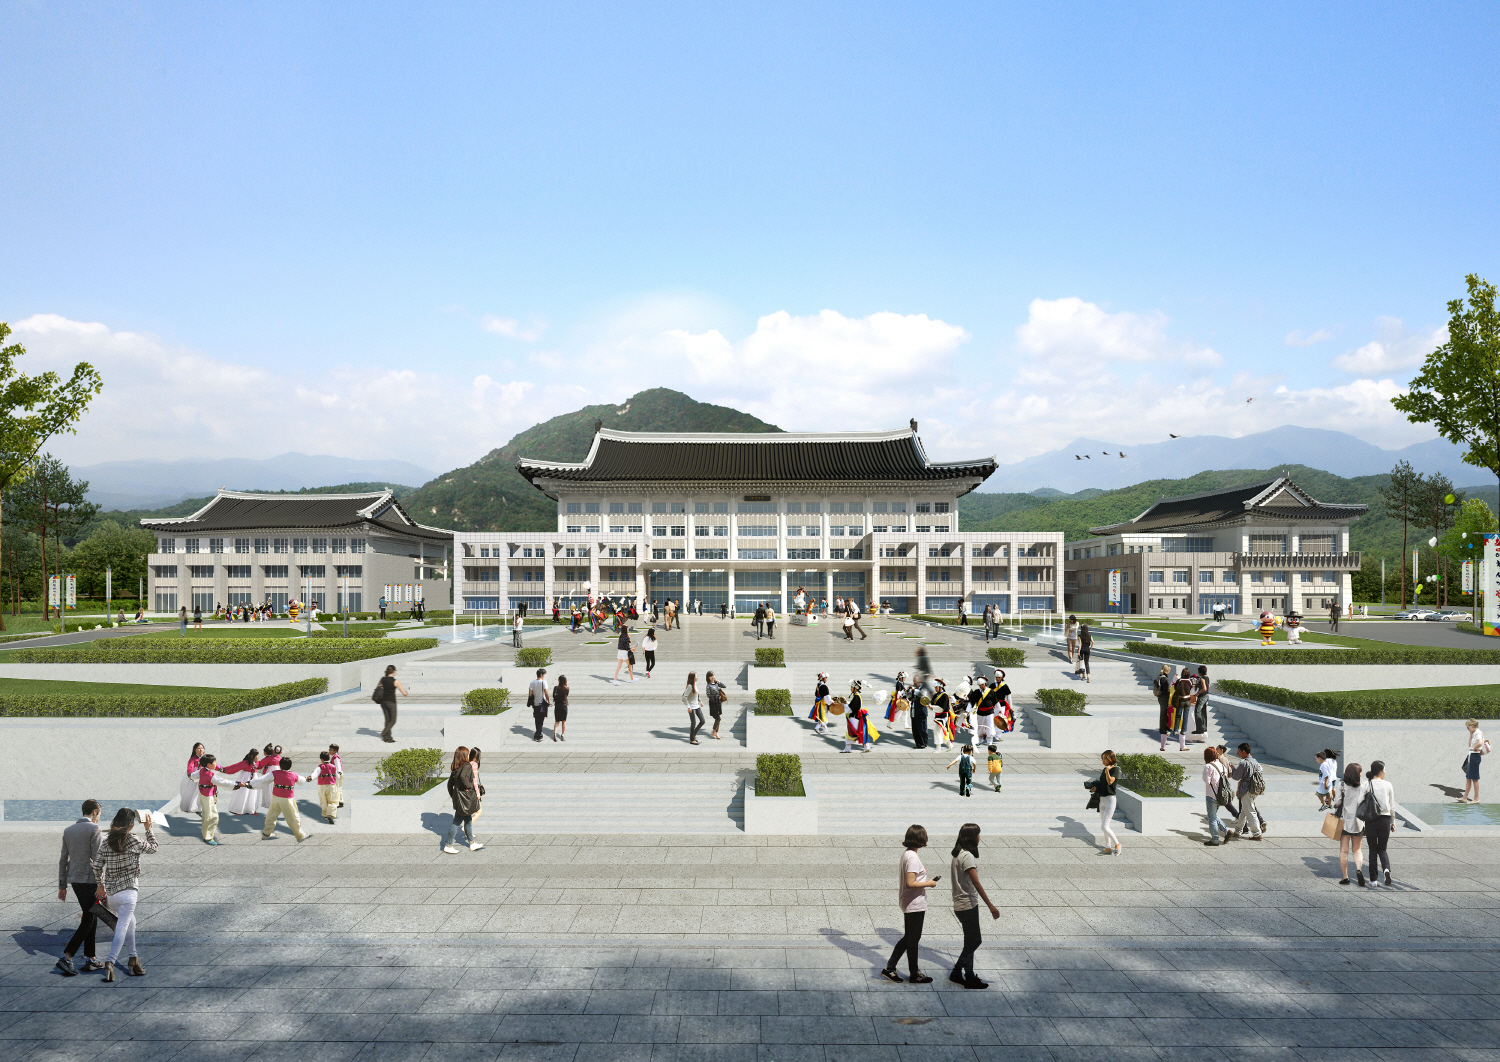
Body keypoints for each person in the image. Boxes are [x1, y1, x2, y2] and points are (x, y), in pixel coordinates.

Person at [91, 807, 158, 982]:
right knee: (122, 928)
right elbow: (153, 848)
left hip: (113, 894)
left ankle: (133, 959)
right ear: (131, 824)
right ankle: (110, 962)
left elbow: (97, 866)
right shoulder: (133, 840)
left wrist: (101, 885)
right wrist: (148, 828)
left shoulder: (107, 841)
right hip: (129, 892)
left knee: (131, 923)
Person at [881, 824, 939, 984]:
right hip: (914, 903)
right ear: (921, 839)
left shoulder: (907, 854)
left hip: (910, 901)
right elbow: (910, 883)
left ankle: (893, 969)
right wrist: (929, 883)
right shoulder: (913, 857)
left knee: (910, 938)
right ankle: (911, 973)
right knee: (912, 939)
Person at [55, 799, 106, 977]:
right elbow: (98, 860)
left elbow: (63, 860)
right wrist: (101, 884)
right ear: (94, 812)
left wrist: (62, 885)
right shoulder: (95, 829)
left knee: (91, 915)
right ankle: (67, 957)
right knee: (89, 919)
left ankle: (91, 959)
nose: (99, 818)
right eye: (99, 814)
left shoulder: (68, 830)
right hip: (90, 880)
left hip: (75, 880)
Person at [948, 823, 998, 990]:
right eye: (978, 834)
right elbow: (976, 882)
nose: (979, 837)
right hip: (968, 904)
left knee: (970, 942)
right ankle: (957, 972)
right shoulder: (967, 856)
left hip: (960, 904)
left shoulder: (957, 854)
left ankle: (969, 976)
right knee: (975, 941)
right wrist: (990, 905)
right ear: (972, 837)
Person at [252, 756, 312, 842]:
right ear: (290, 766)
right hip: (287, 799)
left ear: (279, 766)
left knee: (271, 815)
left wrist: (250, 784)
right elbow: (301, 781)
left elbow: (263, 779)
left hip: (276, 798)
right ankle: (300, 836)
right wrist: (307, 778)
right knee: (292, 817)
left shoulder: (275, 773)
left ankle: (266, 834)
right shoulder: (293, 774)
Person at [196, 754, 247, 846]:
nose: (216, 764)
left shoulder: (202, 771)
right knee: (212, 816)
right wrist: (237, 784)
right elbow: (223, 782)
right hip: (208, 797)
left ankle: (205, 834)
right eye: (214, 762)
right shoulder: (209, 774)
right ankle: (208, 837)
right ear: (209, 764)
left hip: (204, 795)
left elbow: (193, 776)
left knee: (207, 815)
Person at [442, 745, 483, 854]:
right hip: (466, 799)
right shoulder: (467, 766)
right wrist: (469, 787)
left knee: (468, 821)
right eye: (467, 753)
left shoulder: (455, 768)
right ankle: (448, 845)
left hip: (460, 799)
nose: (469, 755)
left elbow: (449, 785)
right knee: (456, 823)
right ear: (464, 755)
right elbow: (464, 777)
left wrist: (454, 796)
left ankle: (472, 844)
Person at [1364, 761, 1396, 887]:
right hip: (1385, 819)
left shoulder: (1366, 784)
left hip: (1371, 820)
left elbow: (1360, 803)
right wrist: (1393, 822)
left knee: (1372, 850)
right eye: (1385, 769)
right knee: (1382, 849)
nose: (1385, 772)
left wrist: (1362, 822)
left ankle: (1373, 880)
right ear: (1381, 771)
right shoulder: (1388, 785)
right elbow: (1392, 805)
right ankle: (1386, 870)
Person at [1226, 742, 1265, 840]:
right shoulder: (1255, 762)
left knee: (1250, 811)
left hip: (1246, 789)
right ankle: (1238, 831)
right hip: (1255, 789)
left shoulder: (1244, 763)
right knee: (1244, 811)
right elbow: (1260, 771)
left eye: (1239, 751)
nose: (1238, 753)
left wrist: (1233, 769)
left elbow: (1236, 777)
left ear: (1243, 751)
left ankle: (1257, 833)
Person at [1338, 761, 1366, 885]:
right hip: (1358, 822)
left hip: (1345, 821)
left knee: (1344, 851)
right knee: (1357, 850)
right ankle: (1359, 869)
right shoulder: (1363, 787)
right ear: (1358, 774)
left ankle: (1345, 877)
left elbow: (1337, 803)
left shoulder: (1342, 785)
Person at [1088, 750, 1122, 855]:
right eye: (1102, 759)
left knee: (1104, 826)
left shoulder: (1115, 769)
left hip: (1110, 801)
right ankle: (1108, 848)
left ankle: (1117, 844)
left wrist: (1107, 771)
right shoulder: (1104, 769)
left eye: (1105, 759)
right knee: (1105, 826)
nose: (1103, 761)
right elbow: (1103, 784)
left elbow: (1110, 781)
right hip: (1102, 800)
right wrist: (1095, 788)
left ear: (1110, 759)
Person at [220, 748, 262, 817]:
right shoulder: (245, 762)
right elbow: (235, 767)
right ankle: (239, 810)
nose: (258, 757)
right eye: (257, 755)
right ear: (252, 756)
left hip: (254, 779)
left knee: (253, 794)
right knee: (243, 793)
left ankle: (252, 809)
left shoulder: (257, 762)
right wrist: (224, 770)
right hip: (245, 779)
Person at [1202, 748, 1229, 846]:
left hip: (1211, 795)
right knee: (1213, 815)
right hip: (1222, 795)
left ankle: (1215, 839)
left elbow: (1207, 781)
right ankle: (1226, 830)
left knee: (1211, 818)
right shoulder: (1222, 765)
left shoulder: (1208, 766)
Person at [378, 665, 409, 743]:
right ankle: (384, 733)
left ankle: (388, 738)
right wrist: (406, 692)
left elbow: (379, 687)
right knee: (393, 720)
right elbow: (404, 693)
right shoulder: (396, 681)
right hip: (391, 702)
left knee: (387, 720)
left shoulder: (382, 679)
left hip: (383, 702)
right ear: (394, 671)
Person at [1166, 667, 1193, 751]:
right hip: (1187, 700)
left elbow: (1174, 688)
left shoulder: (1178, 682)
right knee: (1185, 718)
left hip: (1179, 702)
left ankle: (1175, 730)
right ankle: (1183, 733)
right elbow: (1190, 689)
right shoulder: (1190, 681)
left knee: (1178, 716)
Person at [177, 742, 205, 814]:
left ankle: (200, 807)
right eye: (198, 748)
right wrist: (191, 775)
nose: (201, 750)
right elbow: (190, 767)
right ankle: (189, 806)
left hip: (203, 775)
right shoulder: (193, 759)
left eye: (202, 748)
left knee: (200, 792)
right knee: (190, 791)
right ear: (195, 750)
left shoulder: (206, 757)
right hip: (193, 775)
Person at [1464, 718, 1487, 803]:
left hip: (1475, 756)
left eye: (1468, 727)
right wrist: (1470, 734)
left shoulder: (1478, 733)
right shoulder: (1474, 733)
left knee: (1474, 778)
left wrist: (1475, 748)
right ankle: (1464, 797)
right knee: (1468, 778)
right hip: (1472, 756)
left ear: (1471, 725)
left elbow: (1480, 743)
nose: (1467, 729)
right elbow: (1470, 745)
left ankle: (1476, 799)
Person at [1153, 665, 1173, 750]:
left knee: (1163, 713)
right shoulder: (1164, 679)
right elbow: (1165, 690)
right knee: (1164, 714)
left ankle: (1164, 729)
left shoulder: (1160, 676)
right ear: (1167, 670)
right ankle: (1164, 729)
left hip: (1160, 698)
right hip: (1164, 698)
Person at [317, 751, 340, 823]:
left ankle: (325, 815)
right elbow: (338, 776)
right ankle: (330, 814)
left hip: (322, 786)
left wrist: (309, 778)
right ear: (329, 758)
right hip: (331, 786)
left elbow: (315, 774)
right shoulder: (333, 767)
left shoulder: (320, 766)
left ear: (321, 759)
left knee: (323, 801)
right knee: (333, 801)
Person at [528, 668, 550, 742]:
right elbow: (546, 693)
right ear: (541, 674)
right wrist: (549, 701)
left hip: (535, 704)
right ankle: (538, 736)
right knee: (541, 720)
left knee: (537, 719)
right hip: (541, 704)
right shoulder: (544, 682)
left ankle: (539, 733)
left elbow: (530, 694)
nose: (544, 676)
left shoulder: (532, 683)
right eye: (544, 675)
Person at [683, 671, 705, 745]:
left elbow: (696, 694)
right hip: (691, 707)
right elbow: (684, 697)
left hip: (697, 706)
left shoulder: (695, 684)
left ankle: (694, 733)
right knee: (693, 723)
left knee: (702, 721)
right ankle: (692, 740)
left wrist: (700, 701)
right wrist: (688, 707)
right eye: (696, 676)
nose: (697, 677)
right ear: (692, 678)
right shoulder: (690, 686)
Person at [1192, 665, 1211, 743]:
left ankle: (1199, 729)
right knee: (1203, 713)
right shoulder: (1207, 678)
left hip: (1202, 697)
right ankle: (1204, 728)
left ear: (1200, 672)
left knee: (1197, 712)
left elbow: (1204, 688)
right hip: (1206, 697)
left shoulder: (1202, 678)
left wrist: (1197, 693)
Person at [705, 671, 726, 740]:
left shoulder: (716, 684)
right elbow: (708, 695)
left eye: (713, 675)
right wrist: (717, 698)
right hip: (713, 704)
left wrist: (719, 682)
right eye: (711, 676)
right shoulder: (708, 685)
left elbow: (724, 686)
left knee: (718, 718)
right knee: (718, 718)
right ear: (708, 677)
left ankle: (716, 733)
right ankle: (714, 731)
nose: (713, 677)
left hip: (718, 704)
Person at [551, 675, 569, 741]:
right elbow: (567, 695)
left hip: (557, 706)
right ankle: (562, 735)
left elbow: (553, 696)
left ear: (559, 680)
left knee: (557, 721)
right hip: (564, 706)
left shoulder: (556, 688)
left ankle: (555, 734)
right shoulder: (567, 688)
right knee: (564, 721)